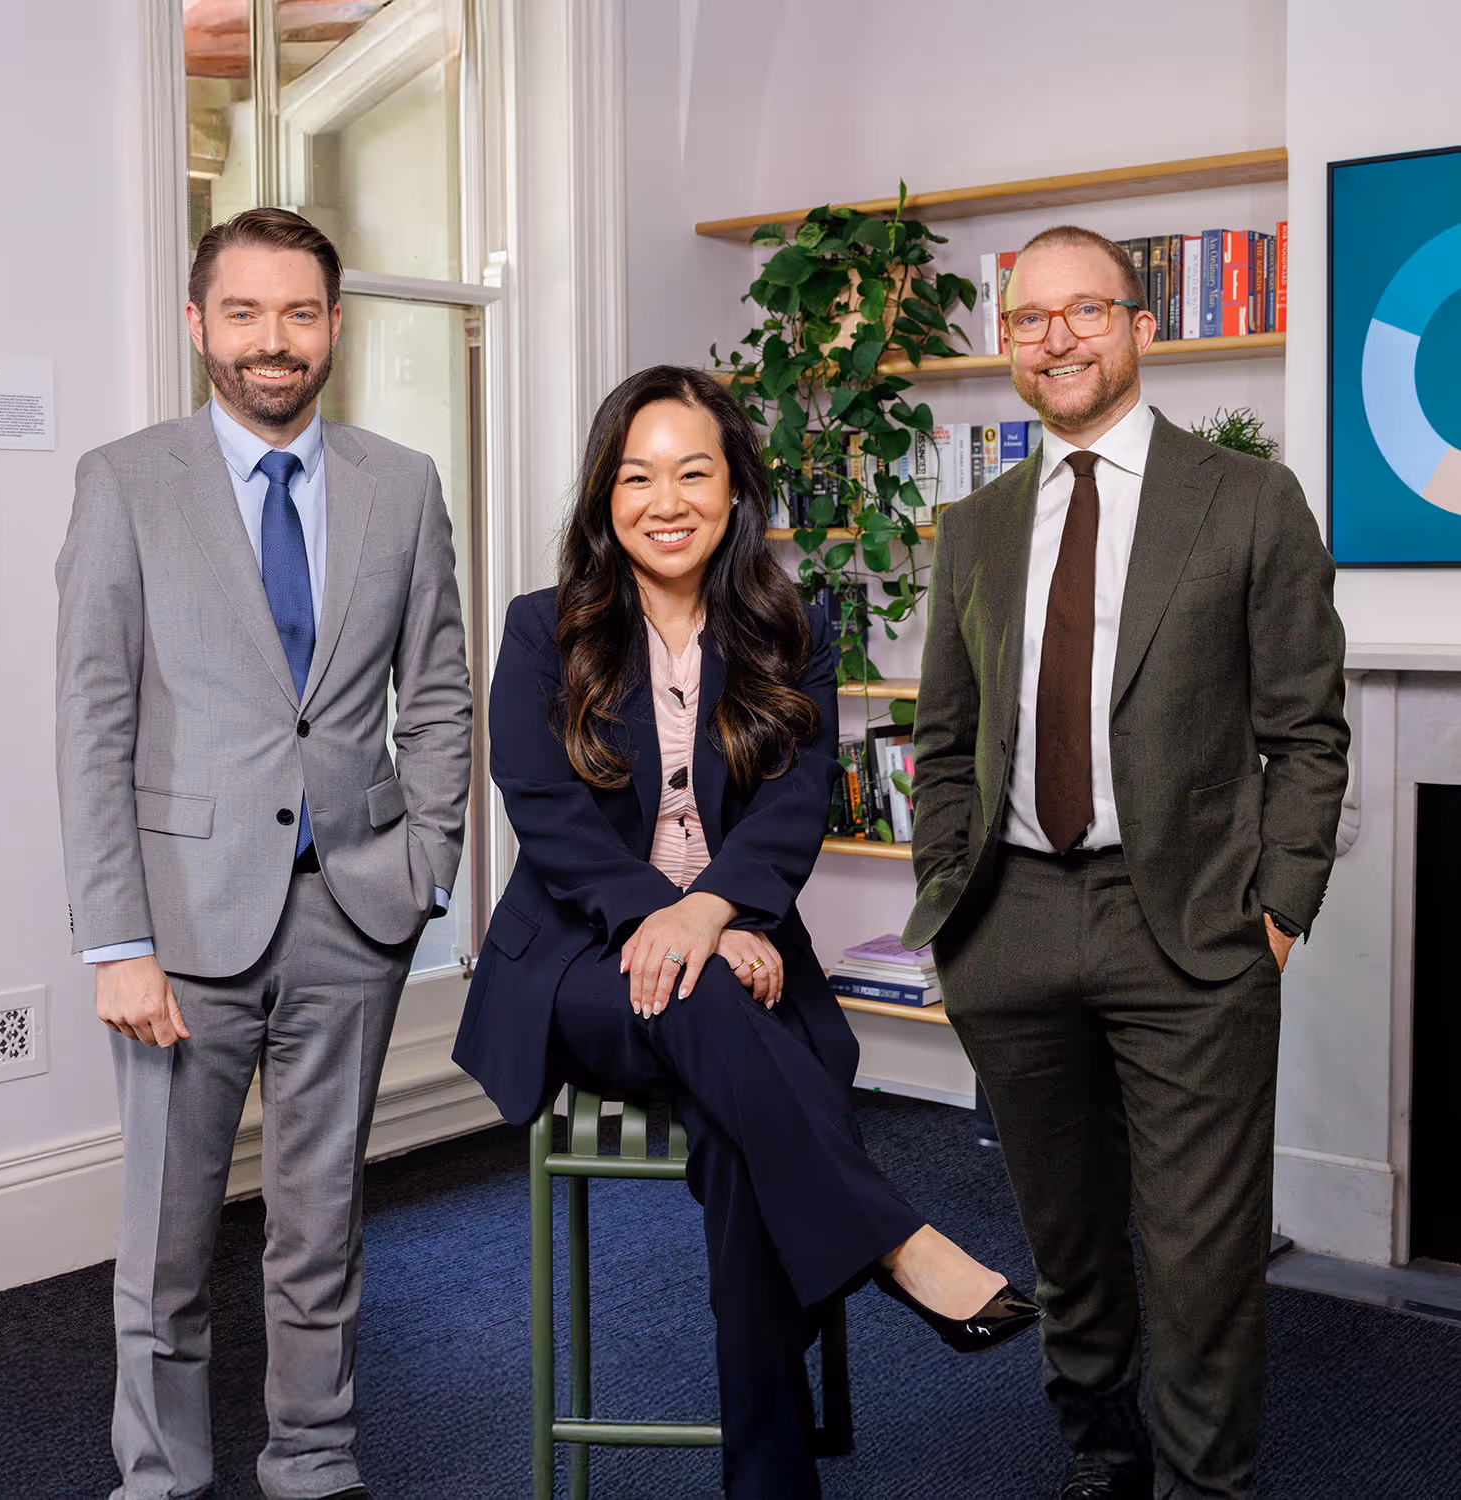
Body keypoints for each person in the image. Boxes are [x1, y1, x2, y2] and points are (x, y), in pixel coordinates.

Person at [455, 365, 1040, 1499]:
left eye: (692, 471)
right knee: (703, 1003)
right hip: (580, 968)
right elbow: (545, 809)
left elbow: (794, 795)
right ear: (603, 494)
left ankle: (769, 1483)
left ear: (734, 493)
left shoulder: (789, 622)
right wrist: (678, 925)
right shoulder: (544, 629)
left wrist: (721, 912)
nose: (663, 499)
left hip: (737, 953)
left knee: (743, 1130)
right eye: (636, 475)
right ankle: (896, 1242)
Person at [904, 224, 1349, 1500]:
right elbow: (945, 739)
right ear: (1006, 343)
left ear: (1139, 325)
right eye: (1031, 319)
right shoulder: (976, 524)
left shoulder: (1247, 500)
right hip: (1014, 925)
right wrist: (952, 911)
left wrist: (1280, 911)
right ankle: (1102, 1453)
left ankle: (1212, 1485)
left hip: (1195, 932)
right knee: (1069, 1233)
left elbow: (1306, 730)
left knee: (1203, 1251)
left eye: (1085, 311)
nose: (1059, 339)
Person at [56, 208, 472, 1500]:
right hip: (179, 930)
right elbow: (93, 719)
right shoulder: (126, 483)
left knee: (320, 1231)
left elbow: (442, 690)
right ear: (199, 325)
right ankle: (159, 1480)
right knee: (169, 1246)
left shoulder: (401, 484)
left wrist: (426, 867)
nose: (273, 341)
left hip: (353, 915)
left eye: (299, 313)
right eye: (243, 313)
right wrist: (116, 941)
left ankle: (313, 1463)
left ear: (334, 328)